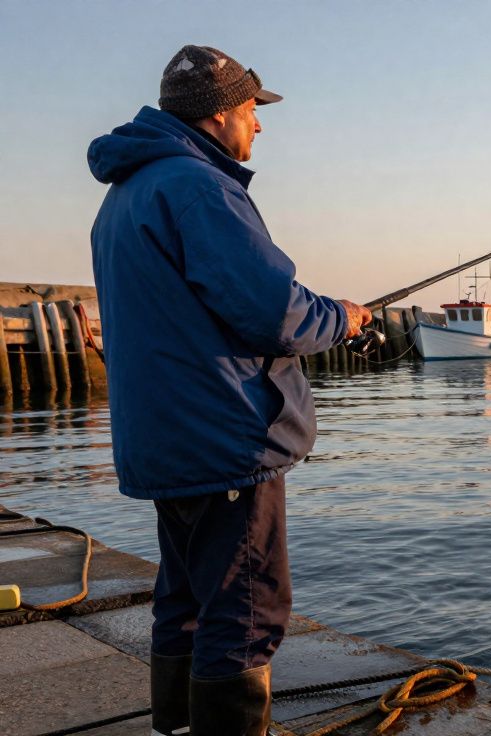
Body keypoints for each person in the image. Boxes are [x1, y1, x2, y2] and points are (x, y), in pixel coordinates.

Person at [87, 45, 372, 735]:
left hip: (164, 440)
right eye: (252, 110)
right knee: (246, 610)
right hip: (223, 439)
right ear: (220, 115)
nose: (259, 126)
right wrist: (345, 317)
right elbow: (272, 310)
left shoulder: (126, 195)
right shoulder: (198, 187)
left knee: (185, 597)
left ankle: (177, 725)